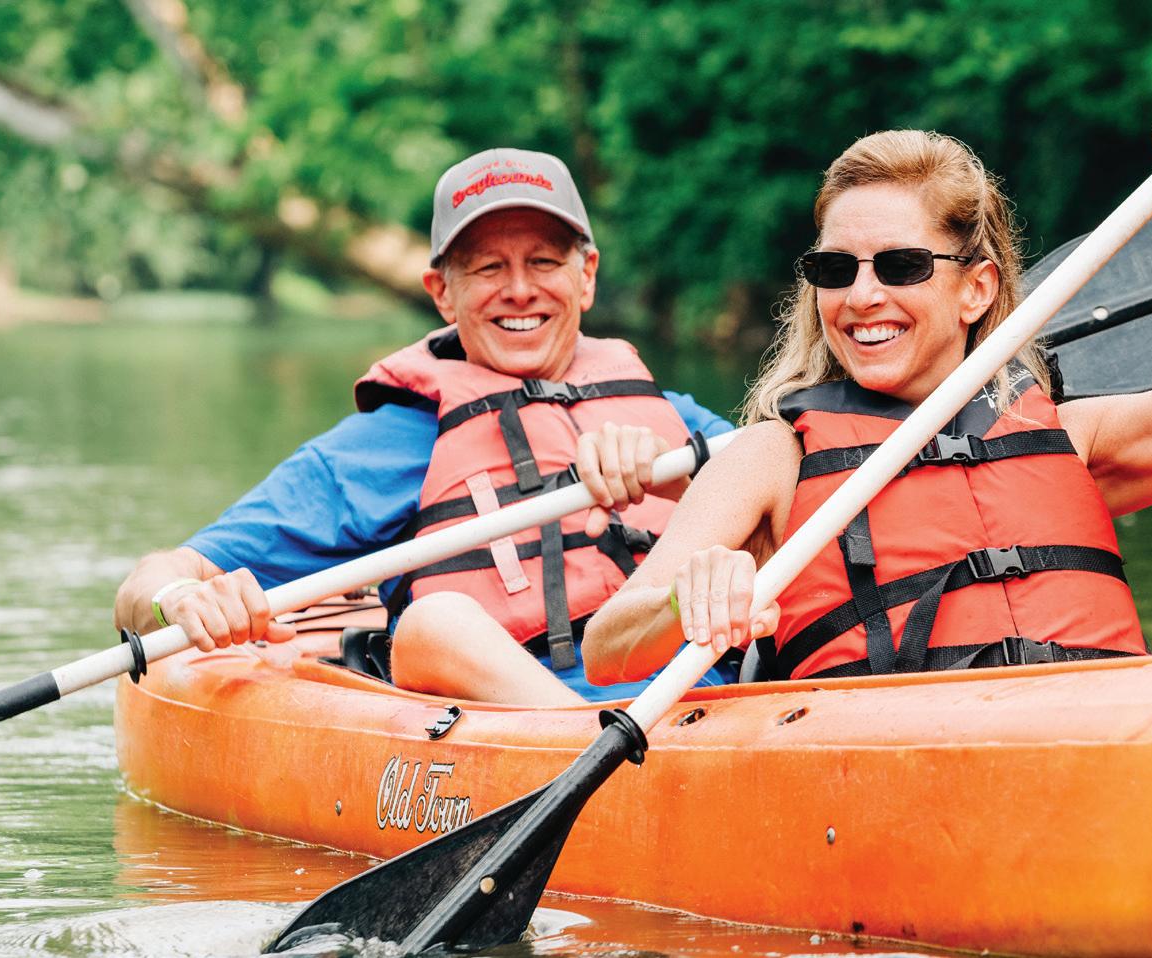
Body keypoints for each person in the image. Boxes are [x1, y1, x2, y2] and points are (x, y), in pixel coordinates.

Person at [581, 93, 1152, 685]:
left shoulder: (1073, 437)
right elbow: (606, 651)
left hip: (1095, 751)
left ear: (976, 290)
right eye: (834, 270)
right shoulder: (771, 458)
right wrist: (687, 600)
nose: (861, 296)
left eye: (900, 266)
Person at [112, 148, 735, 705]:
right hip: (520, 717)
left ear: (587, 275)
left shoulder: (675, 422)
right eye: (488, 269)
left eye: (544, 261)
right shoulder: (394, 442)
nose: (520, 290)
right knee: (433, 623)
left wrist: (683, 481)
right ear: (442, 292)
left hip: (709, 698)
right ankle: (590, 746)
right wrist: (179, 600)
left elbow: (789, 502)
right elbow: (150, 585)